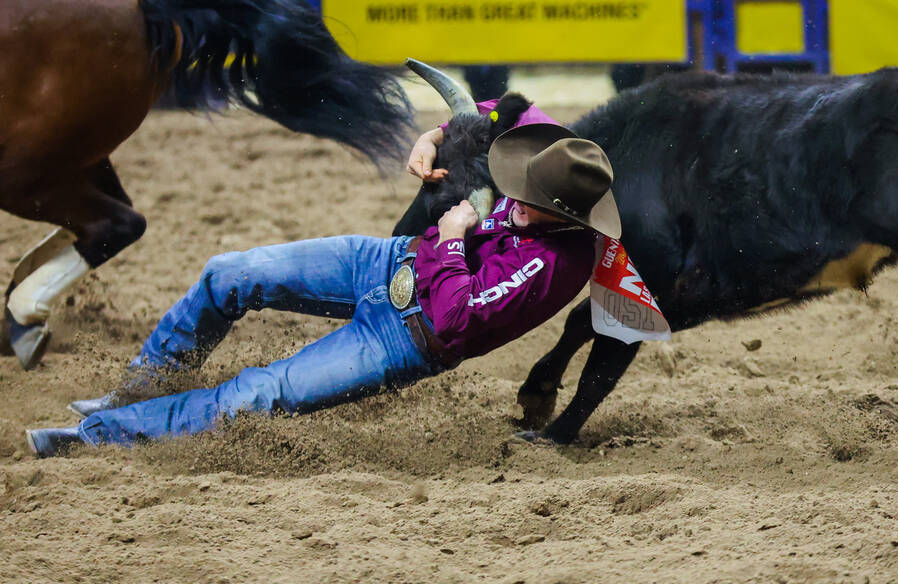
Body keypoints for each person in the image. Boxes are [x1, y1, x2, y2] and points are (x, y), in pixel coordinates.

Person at [25, 122, 620, 457]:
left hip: (407, 339)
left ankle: (93, 437)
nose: (515, 199)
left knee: (253, 396)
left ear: (564, 218)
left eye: (531, 202)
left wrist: (450, 239)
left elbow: (458, 318)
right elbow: (490, 111)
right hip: (385, 262)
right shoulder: (542, 192)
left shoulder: (554, 268)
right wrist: (434, 136)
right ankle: (132, 393)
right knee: (230, 272)